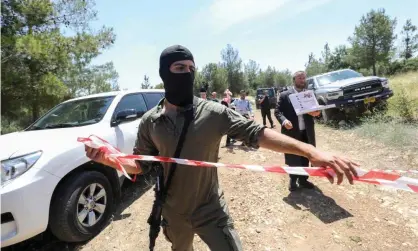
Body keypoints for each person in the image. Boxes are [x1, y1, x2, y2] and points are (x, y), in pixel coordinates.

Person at [85, 45, 359, 251]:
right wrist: (109, 160)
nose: (187, 73)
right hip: (173, 212)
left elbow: (258, 133)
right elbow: (141, 164)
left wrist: (311, 152)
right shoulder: (150, 121)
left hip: (211, 210)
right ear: (163, 73)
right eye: (179, 68)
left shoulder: (214, 113)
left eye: (191, 69)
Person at [274, 70, 321, 192]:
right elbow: (278, 112)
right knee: (293, 155)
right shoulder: (285, 95)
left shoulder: (309, 95)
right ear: (294, 80)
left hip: (306, 131)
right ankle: (293, 180)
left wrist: (317, 113)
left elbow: (317, 111)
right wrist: (284, 121)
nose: (302, 80)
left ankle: (303, 180)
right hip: (291, 132)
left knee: (306, 155)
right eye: (299, 78)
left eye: (304, 78)